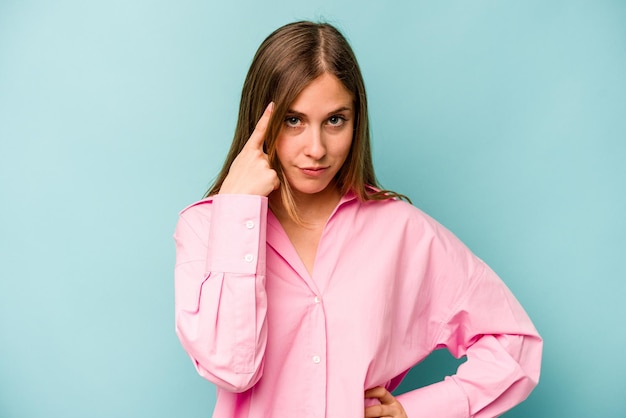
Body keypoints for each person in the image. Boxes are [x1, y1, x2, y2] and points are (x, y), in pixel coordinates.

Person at [173, 21, 542, 418]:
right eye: (294, 120)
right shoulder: (208, 230)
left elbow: (515, 345)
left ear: (356, 121)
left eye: (335, 120)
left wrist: (415, 412)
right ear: (260, 120)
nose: (316, 149)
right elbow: (232, 368)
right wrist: (239, 211)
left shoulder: (400, 230)